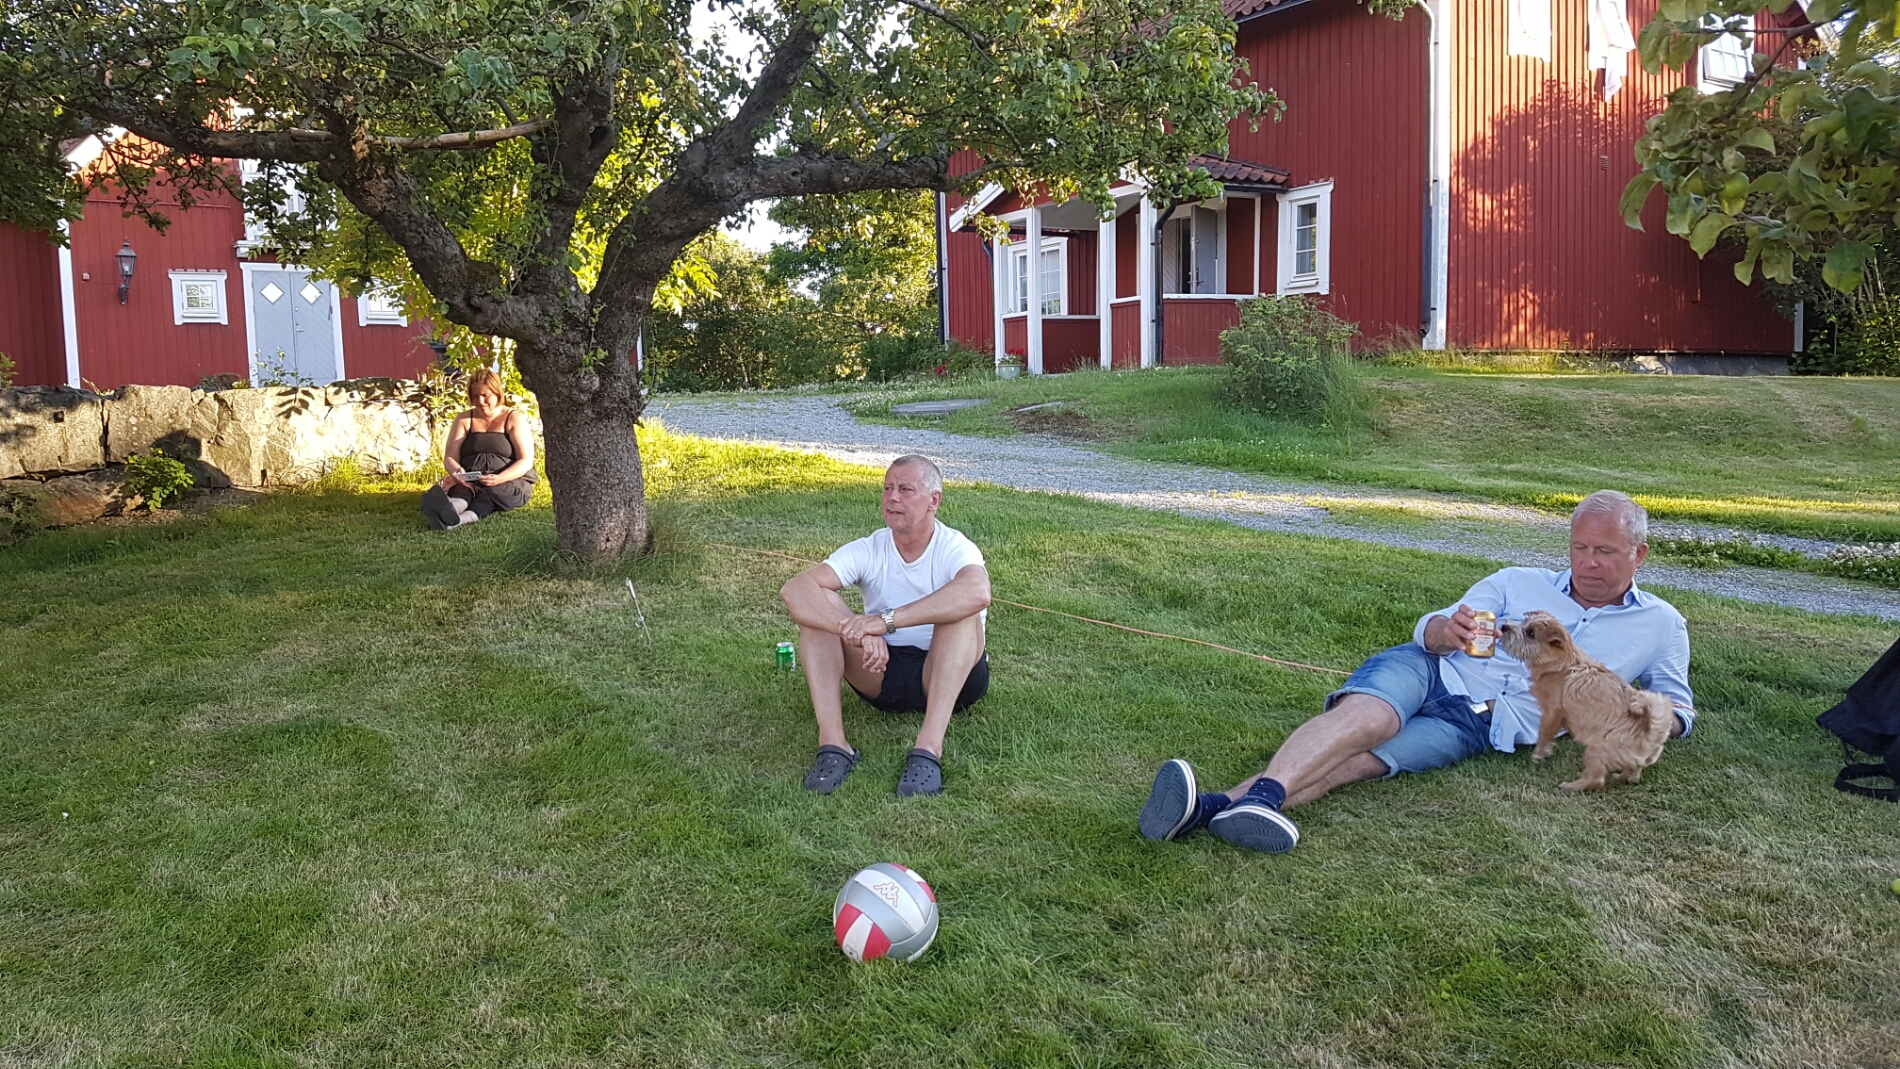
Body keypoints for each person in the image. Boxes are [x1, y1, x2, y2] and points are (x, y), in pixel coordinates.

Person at [1139, 490, 1694, 854]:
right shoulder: (1515, 580)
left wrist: (1643, 715)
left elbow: (1678, 707)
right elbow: (1431, 627)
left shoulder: (1661, 625)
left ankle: (1209, 809)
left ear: (1639, 554)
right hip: (1431, 670)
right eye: (1579, 547)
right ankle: (1263, 798)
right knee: (1370, 720)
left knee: (1359, 764)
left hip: (1480, 724)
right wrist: (1445, 630)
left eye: (1605, 551)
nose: (1588, 562)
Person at [779, 455, 992, 797]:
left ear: (933, 501)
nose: (893, 497)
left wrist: (883, 622)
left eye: (905, 490)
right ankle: (834, 745)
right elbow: (795, 589)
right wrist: (854, 631)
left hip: (952, 674)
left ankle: (928, 749)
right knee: (817, 610)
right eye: (888, 488)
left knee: (961, 611)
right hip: (882, 671)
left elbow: (978, 592)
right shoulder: (870, 548)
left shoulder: (955, 547)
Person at [421, 369, 537, 530]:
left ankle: (456, 521)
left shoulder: (514, 418)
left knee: (486, 495)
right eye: (475, 396)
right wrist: (457, 473)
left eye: (485, 395)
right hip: (472, 477)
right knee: (463, 489)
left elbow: (525, 460)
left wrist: (500, 478)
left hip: (507, 480)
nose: (480, 401)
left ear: (497, 393)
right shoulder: (463, 419)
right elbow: (450, 457)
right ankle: (450, 509)